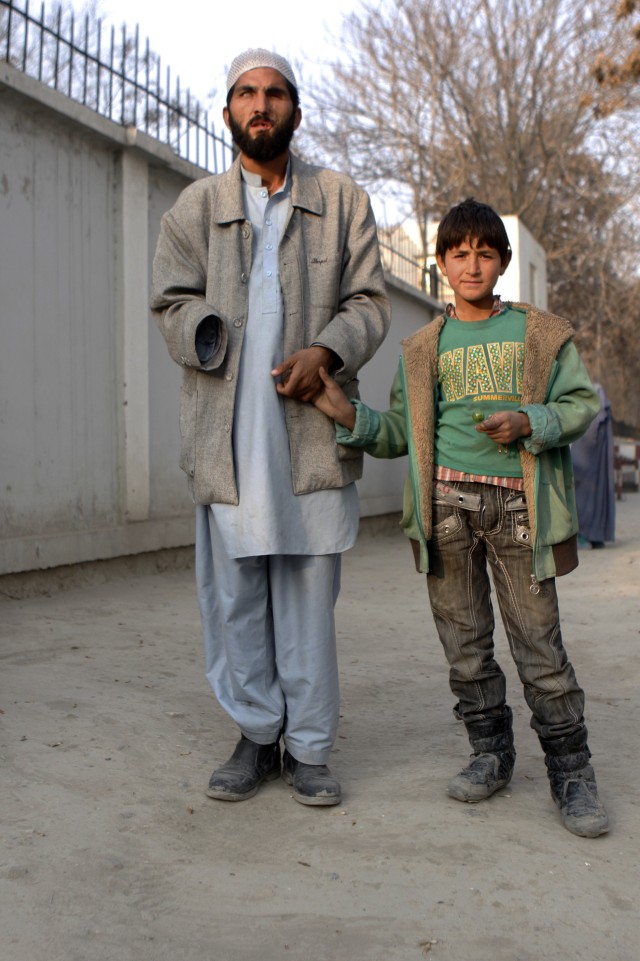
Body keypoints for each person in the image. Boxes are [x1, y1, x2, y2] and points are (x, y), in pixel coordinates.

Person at [312, 199, 609, 837]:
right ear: (441, 263)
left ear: (502, 261)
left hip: (519, 510)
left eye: (484, 252)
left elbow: (582, 403)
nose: (471, 264)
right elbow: (400, 433)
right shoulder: (423, 347)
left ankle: (573, 773)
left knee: (539, 646)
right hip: (445, 510)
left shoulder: (539, 333)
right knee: (465, 647)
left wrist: (532, 420)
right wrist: (347, 416)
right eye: (458, 253)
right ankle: (490, 755)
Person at [151, 49, 390, 807]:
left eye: (276, 94)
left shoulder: (342, 199)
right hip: (228, 442)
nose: (262, 106)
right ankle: (257, 736)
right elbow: (168, 303)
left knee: (307, 593)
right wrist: (213, 331)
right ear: (227, 113)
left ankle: (311, 748)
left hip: (311, 438)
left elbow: (371, 302)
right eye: (247, 95)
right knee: (235, 596)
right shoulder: (194, 208)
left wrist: (326, 350)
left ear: (296, 109)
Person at [572, 383, 616, 549]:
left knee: (585, 498)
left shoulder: (592, 396)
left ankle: (590, 534)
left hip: (588, 459)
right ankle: (594, 535)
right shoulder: (595, 397)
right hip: (588, 460)